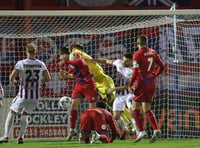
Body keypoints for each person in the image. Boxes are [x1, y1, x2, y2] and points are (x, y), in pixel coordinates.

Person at [0, 43, 51, 144]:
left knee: (12, 111)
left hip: (23, 94)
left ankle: (6, 136)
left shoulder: (21, 63)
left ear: (26, 52)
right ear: (35, 52)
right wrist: (40, 80)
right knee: (25, 114)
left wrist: (13, 81)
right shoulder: (41, 64)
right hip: (35, 96)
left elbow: (12, 76)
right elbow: (48, 79)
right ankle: (21, 136)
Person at [86, 53, 139, 139]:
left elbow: (129, 86)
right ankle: (125, 130)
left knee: (132, 112)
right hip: (120, 95)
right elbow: (106, 61)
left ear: (132, 61)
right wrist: (92, 60)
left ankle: (138, 133)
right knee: (116, 116)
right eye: (124, 60)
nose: (124, 62)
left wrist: (113, 89)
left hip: (129, 94)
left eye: (127, 61)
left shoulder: (133, 71)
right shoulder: (119, 63)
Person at [128, 35, 165, 143]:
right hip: (152, 83)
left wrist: (130, 84)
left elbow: (135, 72)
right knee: (147, 109)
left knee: (134, 108)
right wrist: (155, 75)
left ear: (137, 43)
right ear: (147, 42)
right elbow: (162, 67)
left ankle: (141, 131)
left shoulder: (137, 54)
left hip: (141, 83)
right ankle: (156, 129)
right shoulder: (153, 52)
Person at [59, 46, 98, 141]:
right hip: (79, 85)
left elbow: (81, 63)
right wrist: (66, 75)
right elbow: (73, 74)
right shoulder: (70, 63)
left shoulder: (74, 55)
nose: (60, 58)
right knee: (73, 105)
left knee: (92, 110)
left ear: (64, 55)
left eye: (60, 56)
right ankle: (72, 130)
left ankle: (93, 132)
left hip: (89, 84)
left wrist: (65, 62)